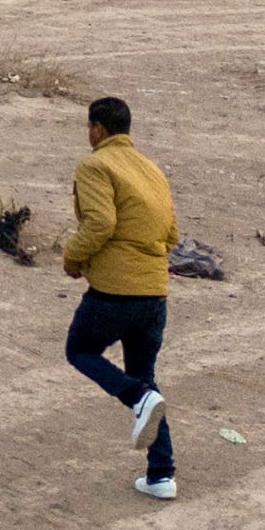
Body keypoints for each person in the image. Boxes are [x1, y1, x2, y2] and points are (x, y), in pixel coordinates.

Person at [61, 96, 182, 501]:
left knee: (80, 350)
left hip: (115, 291)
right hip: (155, 294)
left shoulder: (95, 165)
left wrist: (73, 257)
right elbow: (172, 235)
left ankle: (137, 398)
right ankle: (161, 474)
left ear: (97, 129)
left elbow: (101, 222)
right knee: (146, 375)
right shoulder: (152, 170)